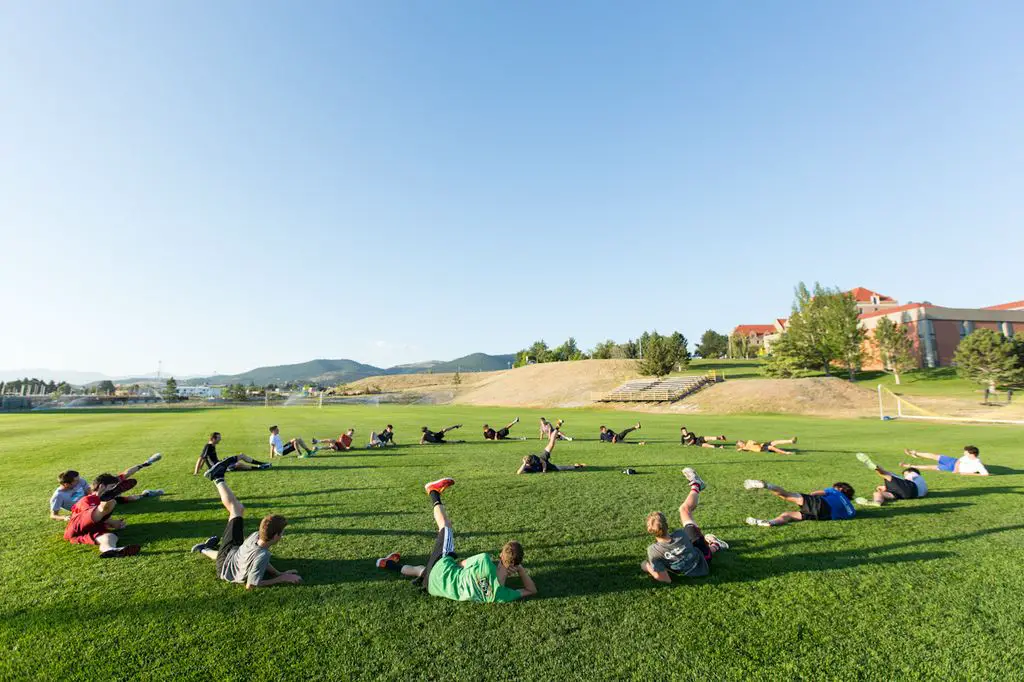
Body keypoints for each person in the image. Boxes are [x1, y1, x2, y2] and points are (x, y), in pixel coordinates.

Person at [375, 477, 537, 603]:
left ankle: (433, 491)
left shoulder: (484, 561)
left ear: (501, 555)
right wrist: (520, 569)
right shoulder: (500, 595)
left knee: (446, 528)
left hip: (441, 571)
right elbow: (531, 590)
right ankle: (387, 564)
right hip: (434, 587)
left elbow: (460, 564)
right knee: (423, 571)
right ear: (515, 565)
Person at [189, 464, 302, 590]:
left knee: (237, 510)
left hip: (231, 554)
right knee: (236, 509)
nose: (282, 536)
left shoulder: (256, 536)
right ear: (276, 536)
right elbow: (251, 585)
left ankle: (203, 549)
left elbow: (260, 560)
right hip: (226, 565)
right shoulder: (262, 555)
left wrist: (278, 573)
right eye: (282, 533)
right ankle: (217, 477)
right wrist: (281, 578)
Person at [641, 468, 729, 583]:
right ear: (667, 525)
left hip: (690, 569)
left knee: (691, 549)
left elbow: (665, 579)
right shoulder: (681, 534)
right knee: (684, 510)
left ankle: (716, 545)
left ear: (650, 531)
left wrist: (647, 566)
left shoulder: (653, 551)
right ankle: (696, 485)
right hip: (704, 562)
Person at [50, 454, 164, 521]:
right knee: (130, 499)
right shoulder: (58, 496)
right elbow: (53, 515)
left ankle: (145, 464)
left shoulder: (80, 481)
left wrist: (99, 493)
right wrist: (65, 517)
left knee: (119, 479)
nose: (80, 481)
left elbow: (88, 491)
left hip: (94, 499)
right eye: (76, 481)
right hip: (86, 509)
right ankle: (146, 494)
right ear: (66, 484)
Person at [64, 474, 145, 558]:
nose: (115, 488)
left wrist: (115, 524)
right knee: (107, 505)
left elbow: (101, 519)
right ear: (101, 486)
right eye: (112, 487)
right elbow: (91, 515)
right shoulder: (87, 499)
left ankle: (111, 550)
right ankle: (108, 499)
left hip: (82, 534)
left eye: (115, 488)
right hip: (76, 525)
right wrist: (113, 522)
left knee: (110, 536)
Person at [743, 478, 855, 527]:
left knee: (786, 495)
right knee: (788, 515)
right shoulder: (852, 511)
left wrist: (804, 499)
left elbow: (814, 493)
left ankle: (765, 485)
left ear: (840, 489)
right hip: (823, 516)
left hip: (820, 504)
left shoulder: (835, 491)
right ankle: (769, 522)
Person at [853, 453, 927, 506]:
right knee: (877, 493)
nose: (904, 476)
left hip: (910, 489)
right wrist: (885, 488)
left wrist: (884, 486)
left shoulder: (912, 473)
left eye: (904, 474)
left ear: (909, 471)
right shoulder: (922, 483)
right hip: (910, 495)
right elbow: (901, 487)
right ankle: (877, 502)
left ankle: (875, 467)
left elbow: (903, 483)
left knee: (886, 474)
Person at [194, 432, 270, 477]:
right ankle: (261, 466)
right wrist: (196, 472)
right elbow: (200, 458)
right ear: (213, 439)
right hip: (218, 467)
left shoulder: (212, 445)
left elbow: (205, 457)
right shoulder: (208, 446)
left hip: (220, 464)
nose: (220, 439)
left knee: (240, 460)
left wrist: (201, 467)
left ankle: (261, 465)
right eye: (219, 438)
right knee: (240, 461)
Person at [517, 429, 585, 474]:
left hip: (543, 459)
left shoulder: (534, 458)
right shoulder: (526, 466)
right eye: (527, 463)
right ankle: (577, 466)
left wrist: (544, 470)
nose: (528, 464)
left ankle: (557, 428)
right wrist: (524, 464)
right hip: (549, 466)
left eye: (529, 462)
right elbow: (518, 473)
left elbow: (543, 462)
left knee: (551, 444)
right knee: (561, 468)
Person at [900, 445, 989, 476]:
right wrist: (957, 469)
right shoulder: (967, 457)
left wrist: (969, 473)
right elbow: (959, 461)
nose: (964, 453)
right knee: (933, 456)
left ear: (972, 454)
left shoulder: (977, 463)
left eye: (965, 452)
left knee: (931, 467)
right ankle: (913, 453)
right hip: (953, 461)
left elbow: (985, 474)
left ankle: (908, 466)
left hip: (950, 467)